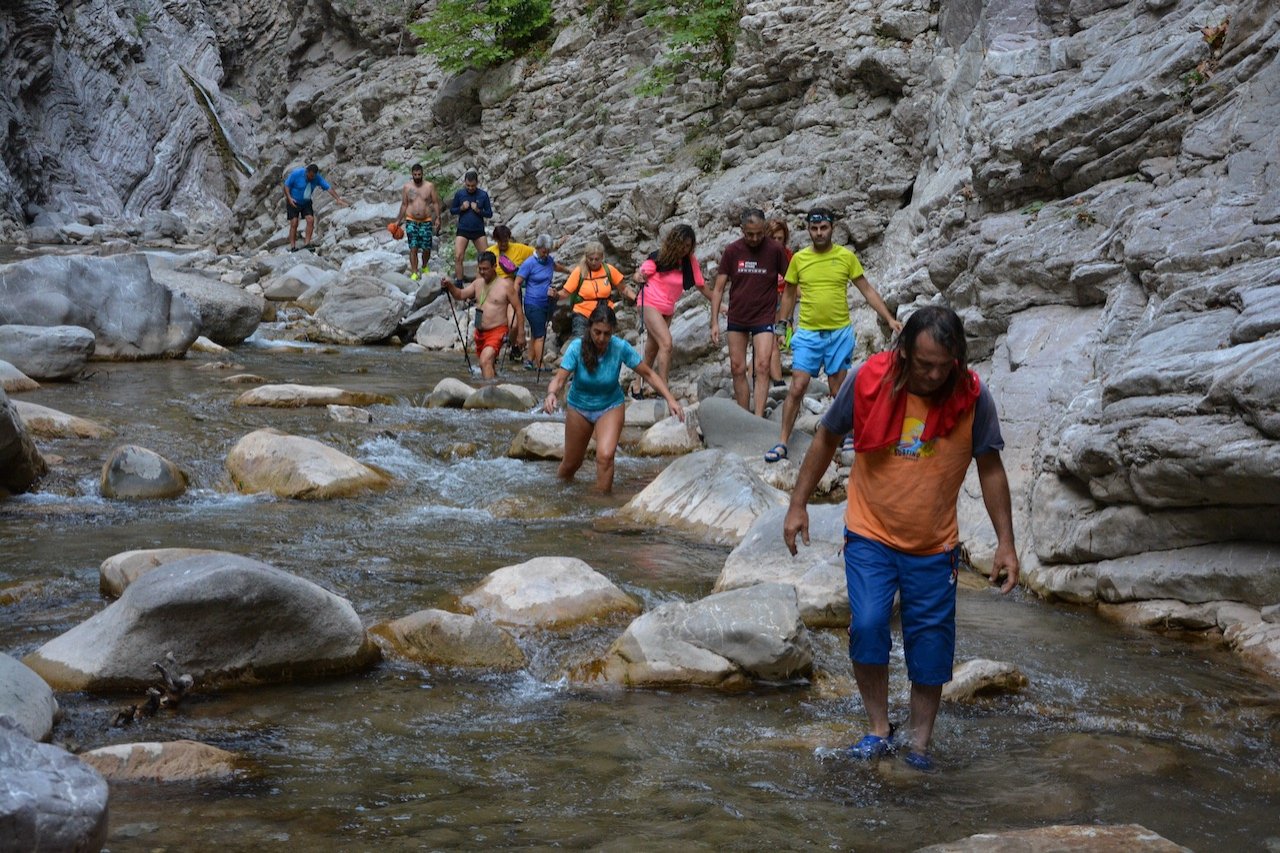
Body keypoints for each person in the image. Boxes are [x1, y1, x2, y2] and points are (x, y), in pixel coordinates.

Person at [783, 305, 1019, 771]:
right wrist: (797, 503)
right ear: (904, 351)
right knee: (869, 626)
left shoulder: (973, 397)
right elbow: (827, 437)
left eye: (942, 366)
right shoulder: (868, 380)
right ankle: (877, 728)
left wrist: (1005, 543)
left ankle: (919, 745)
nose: (932, 376)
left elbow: (990, 468)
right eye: (923, 364)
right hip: (871, 532)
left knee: (930, 646)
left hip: (934, 545)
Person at [765, 207, 902, 463]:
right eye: (814, 229)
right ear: (808, 230)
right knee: (798, 386)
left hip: (839, 333)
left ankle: (849, 435)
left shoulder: (845, 257)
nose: (819, 233)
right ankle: (783, 441)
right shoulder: (799, 259)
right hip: (807, 333)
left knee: (839, 388)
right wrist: (782, 327)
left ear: (832, 228)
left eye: (823, 228)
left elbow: (867, 290)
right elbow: (789, 294)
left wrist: (889, 318)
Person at [543, 304, 682, 494]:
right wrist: (551, 394)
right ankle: (558, 495)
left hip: (610, 405)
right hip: (579, 407)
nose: (601, 338)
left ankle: (601, 504)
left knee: (606, 456)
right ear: (589, 328)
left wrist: (670, 400)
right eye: (597, 332)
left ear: (613, 331)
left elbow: (648, 374)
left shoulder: (619, 347)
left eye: (606, 334)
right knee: (571, 464)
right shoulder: (577, 347)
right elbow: (559, 379)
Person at [710, 209, 790, 417]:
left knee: (762, 366)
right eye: (750, 234)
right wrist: (714, 322)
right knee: (737, 367)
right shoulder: (732, 251)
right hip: (738, 315)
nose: (755, 239)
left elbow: (791, 283)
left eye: (759, 234)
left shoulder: (775, 250)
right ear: (742, 230)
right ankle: (744, 415)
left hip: (764, 315)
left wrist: (784, 322)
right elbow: (718, 288)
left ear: (764, 230)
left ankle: (758, 417)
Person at [630, 223, 711, 396]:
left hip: (667, 309)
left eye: (688, 246)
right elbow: (640, 273)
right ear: (674, 242)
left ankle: (637, 385)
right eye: (681, 244)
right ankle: (662, 387)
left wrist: (720, 305)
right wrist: (639, 277)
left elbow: (701, 286)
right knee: (666, 343)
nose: (684, 249)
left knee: (652, 349)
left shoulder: (689, 262)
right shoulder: (659, 257)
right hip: (649, 302)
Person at [442, 251, 525, 379]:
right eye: (480, 269)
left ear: (494, 266)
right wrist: (450, 286)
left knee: (484, 361)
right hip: (480, 333)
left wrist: (520, 334)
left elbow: (518, 309)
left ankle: (487, 396)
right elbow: (460, 295)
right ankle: (497, 387)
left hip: (497, 331)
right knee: (487, 365)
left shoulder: (506, 285)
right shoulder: (477, 283)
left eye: (485, 269)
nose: (482, 272)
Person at [513, 234, 569, 371]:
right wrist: (514, 301)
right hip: (533, 304)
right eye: (544, 251)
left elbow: (556, 267)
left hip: (547, 304)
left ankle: (529, 361)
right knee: (540, 335)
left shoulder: (549, 260)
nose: (546, 254)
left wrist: (570, 271)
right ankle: (540, 364)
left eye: (548, 251)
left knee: (536, 332)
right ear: (537, 248)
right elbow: (517, 282)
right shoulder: (529, 263)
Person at [561, 242, 635, 339]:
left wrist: (637, 298)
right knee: (580, 344)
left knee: (604, 344)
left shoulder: (609, 269)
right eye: (590, 259)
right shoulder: (579, 272)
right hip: (582, 314)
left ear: (602, 257)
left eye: (597, 259)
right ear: (586, 257)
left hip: (604, 314)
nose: (593, 262)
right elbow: (565, 293)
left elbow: (624, 288)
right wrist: (553, 295)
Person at [283, 163, 348, 252]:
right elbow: (286, 186)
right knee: (294, 223)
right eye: (310, 176)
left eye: (313, 177)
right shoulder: (296, 174)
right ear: (306, 172)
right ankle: (293, 247)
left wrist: (338, 199)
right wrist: (289, 199)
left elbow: (328, 187)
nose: (311, 178)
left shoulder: (317, 178)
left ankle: (307, 244)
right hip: (293, 201)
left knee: (310, 220)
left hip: (306, 201)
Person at [395, 164, 441, 281]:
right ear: (412, 174)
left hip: (426, 221)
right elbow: (404, 204)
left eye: (419, 174)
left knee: (427, 247)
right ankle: (414, 271)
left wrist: (438, 218)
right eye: (415, 175)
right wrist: (398, 221)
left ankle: (425, 266)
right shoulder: (407, 187)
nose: (417, 177)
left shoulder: (429, 186)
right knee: (413, 247)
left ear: (422, 174)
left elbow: (435, 202)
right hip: (411, 220)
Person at [449, 170, 493, 284]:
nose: (470, 188)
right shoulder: (460, 194)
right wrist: (461, 209)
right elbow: (452, 210)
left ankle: (482, 282)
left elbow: (489, 213)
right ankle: (459, 282)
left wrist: (478, 210)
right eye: (468, 185)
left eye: (473, 186)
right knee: (458, 256)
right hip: (463, 229)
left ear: (477, 183)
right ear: (465, 183)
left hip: (478, 230)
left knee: (486, 258)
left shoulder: (483, 195)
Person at [766, 217, 793, 388]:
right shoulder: (761, 256)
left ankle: (753, 371)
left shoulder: (788, 256)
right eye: (773, 238)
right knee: (772, 340)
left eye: (780, 239)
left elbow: (793, 283)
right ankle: (777, 381)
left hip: (782, 302)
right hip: (765, 302)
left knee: (782, 339)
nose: (776, 242)